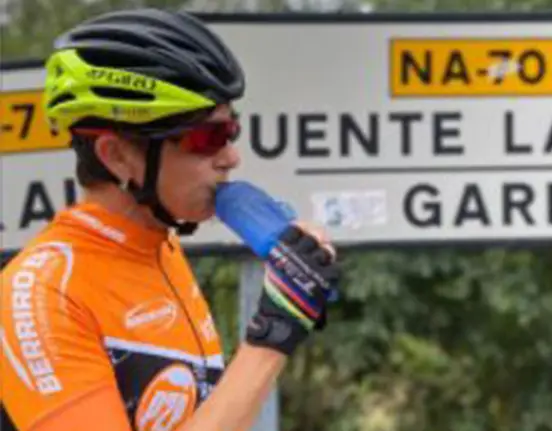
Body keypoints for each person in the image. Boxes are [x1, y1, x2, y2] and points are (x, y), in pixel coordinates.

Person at [0, 7, 340, 431]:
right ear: (117, 155)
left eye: (230, 132)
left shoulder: (161, 248)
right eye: (206, 138)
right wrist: (274, 333)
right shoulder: (42, 293)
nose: (231, 157)